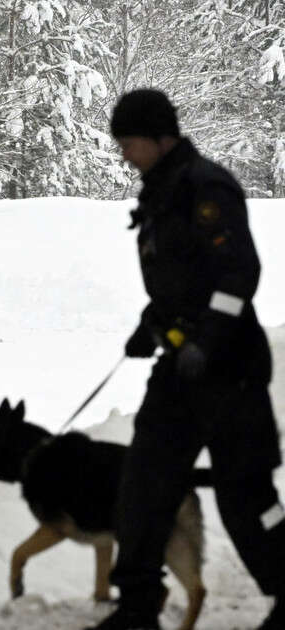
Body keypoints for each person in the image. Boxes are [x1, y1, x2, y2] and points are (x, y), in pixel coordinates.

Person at [89, 89, 285, 630]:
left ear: (160, 137)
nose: (124, 154)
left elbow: (238, 274)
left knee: (246, 496)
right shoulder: (160, 194)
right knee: (144, 481)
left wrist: (210, 339)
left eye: (130, 143)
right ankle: (136, 605)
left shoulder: (206, 187)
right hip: (179, 368)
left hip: (230, 370)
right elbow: (180, 280)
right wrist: (150, 326)